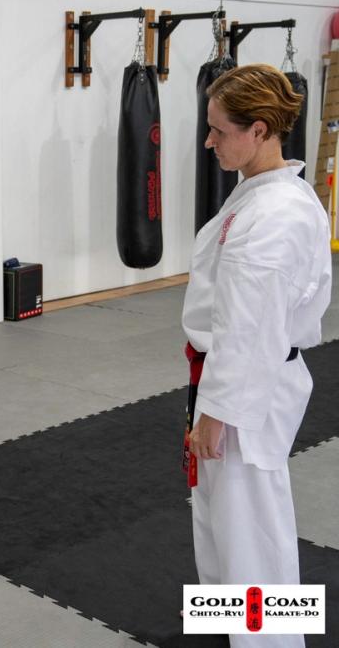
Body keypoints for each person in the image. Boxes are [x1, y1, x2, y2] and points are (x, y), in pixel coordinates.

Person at [183, 64, 331, 648]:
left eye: (219, 130)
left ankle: (271, 643)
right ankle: (228, 626)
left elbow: (250, 329)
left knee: (252, 530)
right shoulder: (261, 192)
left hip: (249, 387)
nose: (209, 141)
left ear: (261, 129)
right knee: (222, 519)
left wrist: (218, 412)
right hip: (229, 377)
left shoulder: (277, 216)